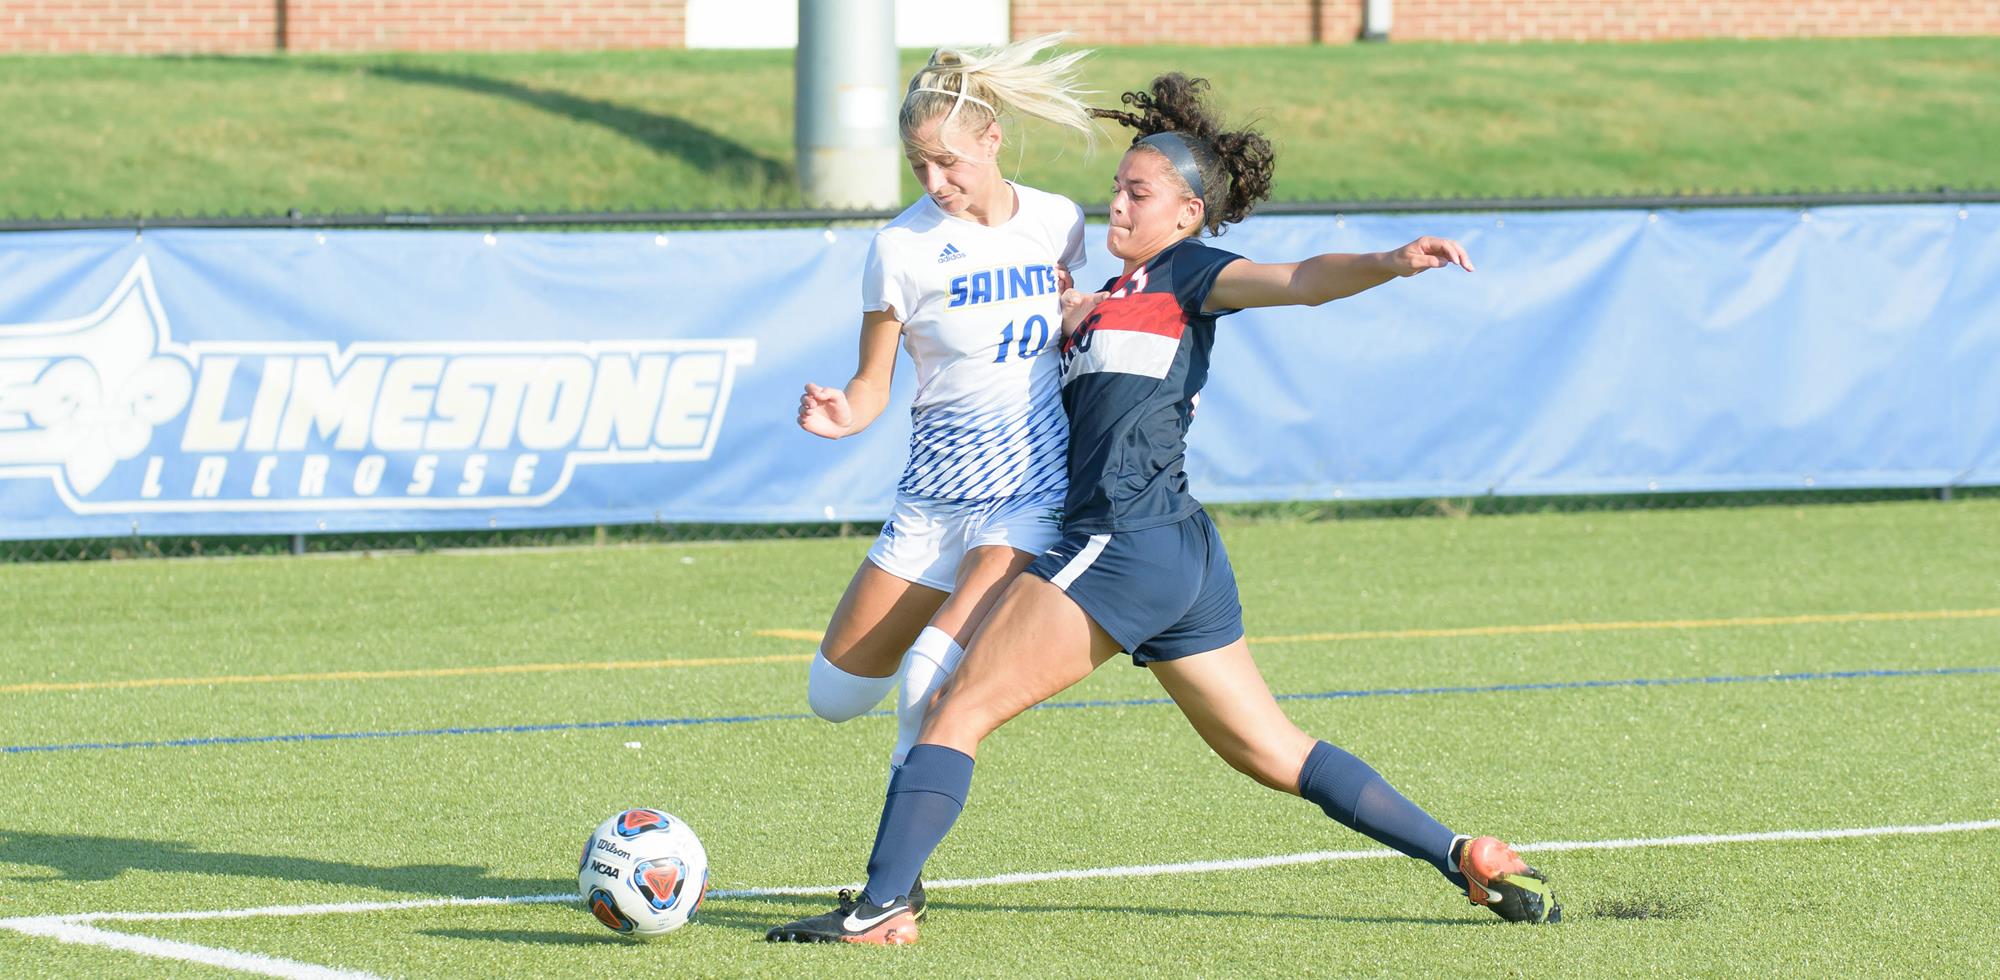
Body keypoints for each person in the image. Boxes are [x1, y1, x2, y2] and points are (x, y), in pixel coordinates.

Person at [768, 73, 1560, 945]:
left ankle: (882, 907)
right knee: (1274, 752)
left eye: (1137, 193)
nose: (1115, 202)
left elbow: (1297, 278)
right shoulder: (1099, 297)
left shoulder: (1189, 277)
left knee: (953, 705)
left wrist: (1388, 262)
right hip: (1182, 557)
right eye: (1115, 186)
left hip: (1121, 546)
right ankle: (1460, 854)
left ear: (1186, 214)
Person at [794, 35, 1097, 915]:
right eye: (919, 165)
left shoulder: (1057, 221)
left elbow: (1079, 332)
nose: (935, 183)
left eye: (949, 162)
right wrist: (843, 414)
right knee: (835, 694)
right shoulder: (901, 250)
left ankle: (893, 889)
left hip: (1029, 498)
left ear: (992, 139)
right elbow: (872, 385)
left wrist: (1080, 319)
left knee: (930, 678)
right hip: (931, 504)